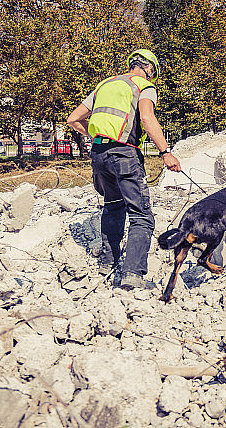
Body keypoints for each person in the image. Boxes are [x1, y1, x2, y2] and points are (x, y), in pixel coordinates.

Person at [67, 49, 181, 290]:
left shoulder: (105, 84)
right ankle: (132, 275)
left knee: (113, 206)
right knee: (141, 215)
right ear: (149, 68)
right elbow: (148, 119)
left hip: (98, 155)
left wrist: (100, 134)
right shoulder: (143, 86)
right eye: (152, 73)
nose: (151, 77)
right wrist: (165, 152)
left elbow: (73, 119)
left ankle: (108, 264)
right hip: (124, 154)